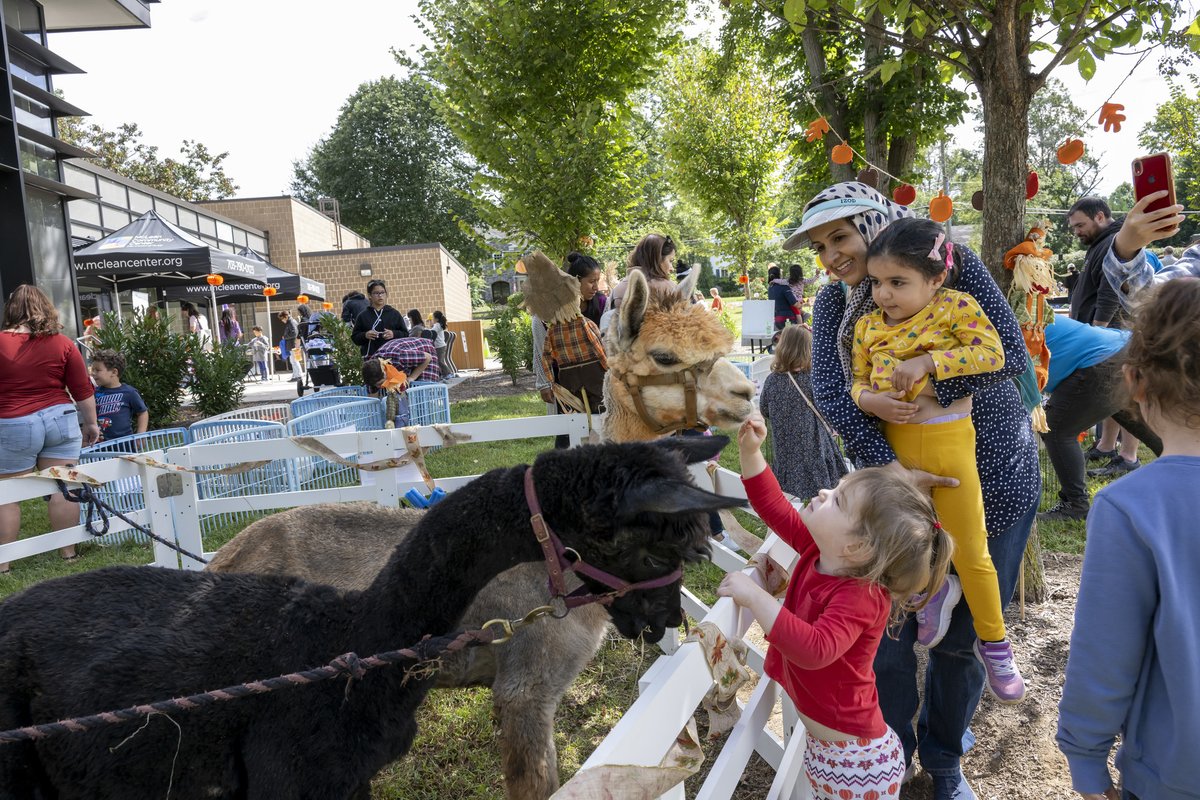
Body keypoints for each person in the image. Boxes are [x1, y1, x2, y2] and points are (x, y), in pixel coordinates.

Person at [789, 181, 1039, 799]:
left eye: (840, 237)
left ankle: (946, 760)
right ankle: (892, 753)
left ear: (876, 223)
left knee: (963, 640)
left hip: (993, 475)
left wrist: (932, 389)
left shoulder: (951, 265)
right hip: (892, 498)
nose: (831, 258)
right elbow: (832, 393)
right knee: (890, 635)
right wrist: (893, 473)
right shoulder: (833, 307)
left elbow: (1007, 352)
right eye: (819, 247)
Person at [718, 411, 952, 800]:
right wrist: (750, 453)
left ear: (857, 547)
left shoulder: (860, 595)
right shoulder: (818, 551)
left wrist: (754, 595)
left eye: (838, 499)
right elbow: (774, 507)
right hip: (831, 752)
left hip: (858, 763)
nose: (825, 492)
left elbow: (815, 649)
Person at [852, 217, 1023, 702]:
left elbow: (994, 354)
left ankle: (995, 643)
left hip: (950, 447)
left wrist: (928, 364)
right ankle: (932, 595)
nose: (883, 294)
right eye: (878, 282)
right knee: (907, 543)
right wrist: (870, 402)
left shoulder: (956, 308)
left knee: (971, 550)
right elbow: (856, 381)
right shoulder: (867, 326)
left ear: (936, 279)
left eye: (897, 282)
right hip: (897, 455)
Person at [1057, 278, 1200, 800]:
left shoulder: (1130, 507)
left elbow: (1106, 652)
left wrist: (1086, 757)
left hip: (1175, 770)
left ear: (1133, 381)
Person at [0, 285, 99, 572]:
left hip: (14, 422)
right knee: (64, 486)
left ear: (11, 309)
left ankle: (3, 563)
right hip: (60, 416)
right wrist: (91, 423)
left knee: (7, 494)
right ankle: (68, 553)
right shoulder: (63, 343)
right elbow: (82, 389)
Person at [1037, 316, 1162, 522]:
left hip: (1101, 360)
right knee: (1130, 417)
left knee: (1058, 430)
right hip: (1121, 349)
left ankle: (1075, 505)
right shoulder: (1022, 314)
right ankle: (1190, 468)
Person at [758, 325, 847, 501]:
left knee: (789, 494)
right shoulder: (815, 379)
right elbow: (828, 409)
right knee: (825, 494)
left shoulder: (772, 380)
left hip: (785, 450)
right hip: (816, 449)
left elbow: (764, 410)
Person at [1066, 197, 1124, 327]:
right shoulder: (1100, 242)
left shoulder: (1114, 243)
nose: (1076, 232)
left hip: (1104, 339)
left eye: (1080, 225)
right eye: (1074, 227)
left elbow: (1110, 292)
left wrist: (1097, 332)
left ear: (1099, 217)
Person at [607, 233, 677, 313]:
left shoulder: (617, 289)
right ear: (657, 259)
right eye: (670, 261)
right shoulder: (668, 288)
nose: (672, 268)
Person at [89, 349, 148, 442]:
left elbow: (142, 413)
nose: (93, 373)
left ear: (114, 372)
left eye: (97, 370)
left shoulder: (129, 392)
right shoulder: (93, 393)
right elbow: (90, 417)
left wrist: (140, 435)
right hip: (102, 446)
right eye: (92, 369)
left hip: (125, 445)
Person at [351, 279, 408, 358]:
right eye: (376, 293)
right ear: (370, 295)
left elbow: (405, 334)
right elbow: (355, 338)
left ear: (386, 294)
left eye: (382, 292)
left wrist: (394, 334)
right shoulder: (363, 315)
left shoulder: (394, 313)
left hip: (392, 357)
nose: (380, 295)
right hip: (371, 358)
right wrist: (365, 335)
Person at [361, 336, 441, 388]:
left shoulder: (400, 356)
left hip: (425, 350)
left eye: (380, 384)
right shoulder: (371, 372)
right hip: (406, 358)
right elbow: (373, 394)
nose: (379, 387)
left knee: (422, 388)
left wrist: (412, 377)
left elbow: (427, 357)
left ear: (384, 372)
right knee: (400, 387)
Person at [767, 265, 800, 332]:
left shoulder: (770, 288)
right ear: (779, 275)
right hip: (788, 319)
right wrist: (801, 304)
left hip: (777, 320)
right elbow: (795, 304)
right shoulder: (784, 287)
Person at [278, 310, 303, 382]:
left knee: (295, 361)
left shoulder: (291, 322)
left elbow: (294, 333)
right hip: (292, 344)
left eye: (282, 319)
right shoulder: (290, 322)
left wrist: (285, 337)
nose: (282, 321)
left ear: (285, 316)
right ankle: (296, 375)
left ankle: (298, 376)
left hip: (293, 344)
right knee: (293, 361)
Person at [429, 310, 451, 377]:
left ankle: (448, 373)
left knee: (440, 361)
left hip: (439, 346)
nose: (432, 319)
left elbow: (432, 332)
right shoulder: (439, 325)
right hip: (441, 346)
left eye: (433, 318)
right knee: (439, 361)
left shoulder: (437, 325)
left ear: (436, 319)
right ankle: (443, 373)